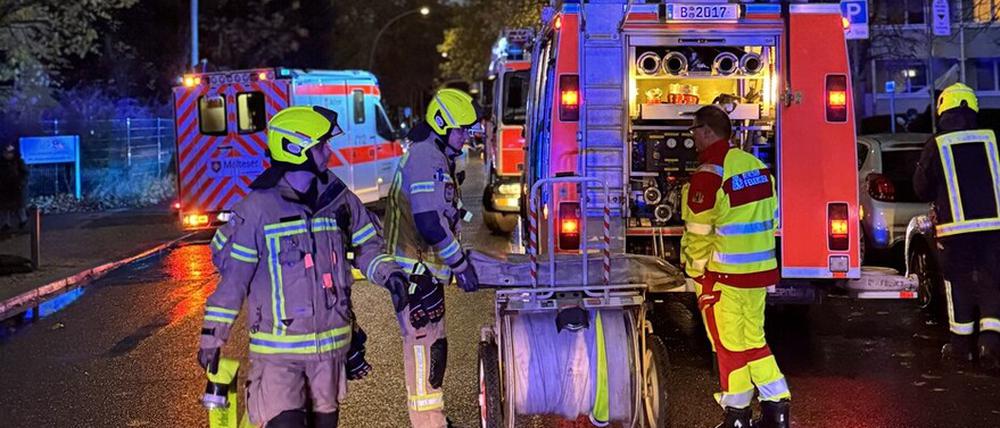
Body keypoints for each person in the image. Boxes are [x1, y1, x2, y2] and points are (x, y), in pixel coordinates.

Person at [197, 106, 414, 428]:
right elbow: (233, 284)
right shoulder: (258, 209)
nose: (329, 151)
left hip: (329, 356)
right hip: (279, 360)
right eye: (321, 145)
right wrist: (212, 338)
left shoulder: (338, 198)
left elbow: (368, 245)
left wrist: (390, 274)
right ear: (295, 149)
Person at [680, 106, 791, 428]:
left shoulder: (709, 174)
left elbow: (699, 233)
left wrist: (695, 271)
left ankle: (739, 415)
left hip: (724, 277)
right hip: (758, 273)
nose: (693, 138)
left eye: (694, 131)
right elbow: (771, 218)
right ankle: (775, 409)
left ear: (706, 131)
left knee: (728, 346)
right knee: (753, 341)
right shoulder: (757, 167)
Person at [384, 88, 482, 427]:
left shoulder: (435, 154)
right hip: (416, 275)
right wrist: (460, 265)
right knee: (424, 349)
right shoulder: (427, 157)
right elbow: (428, 222)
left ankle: (434, 419)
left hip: (423, 272)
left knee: (434, 347)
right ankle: (429, 423)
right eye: (461, 130)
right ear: (442, 125)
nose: (466, 136)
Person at [913, 83, 1000, 373]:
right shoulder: (992, 138)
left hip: (954, 232)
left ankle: (961, 349)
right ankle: (990, 345)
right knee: (992, 283)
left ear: (943, 109)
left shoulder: (937, 144)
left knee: (959, 285)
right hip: (994, 229)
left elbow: (921, 188)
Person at [0, 142, 28, 232]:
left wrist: (21, 183)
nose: (7, 155)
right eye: (5, 153)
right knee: (5, 207)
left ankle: (23, 221)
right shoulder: (2, 162)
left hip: (17, 187)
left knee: (19, 207)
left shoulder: (19, 161)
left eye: (9, 153)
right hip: (5, 188)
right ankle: (6, 224)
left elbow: (25, 173)